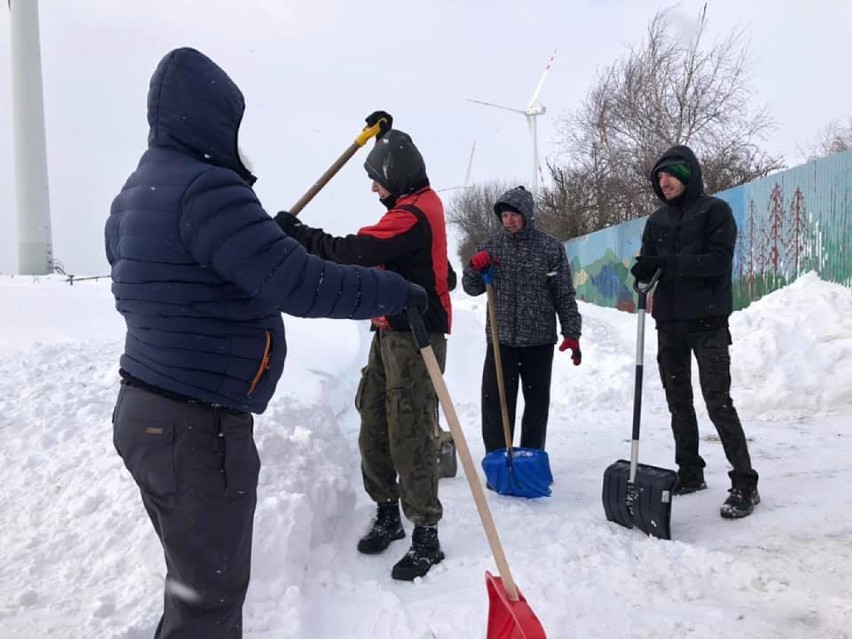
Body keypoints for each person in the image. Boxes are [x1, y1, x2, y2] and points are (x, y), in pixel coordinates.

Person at [105, 48, 426, 638]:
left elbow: (170, 281)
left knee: (193, 588)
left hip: (147, 416)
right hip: (196, 429)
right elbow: (301, 283)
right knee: (208, 603)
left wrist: (259, 245)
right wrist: (393, 291)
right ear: (210, 117)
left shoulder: (135, 193)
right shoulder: (207, 191)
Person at [274, 117, 452, 581]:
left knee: (409, 428)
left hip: (416, 337)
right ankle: (388, 510)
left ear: (395, 174)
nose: (373, 187)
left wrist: (295, 232)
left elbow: (353, 251)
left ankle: (426, 535)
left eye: (377, 177)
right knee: (373, 417)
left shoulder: (414, 214)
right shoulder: (411, 207)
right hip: (388, 330)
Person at [631, 144, 760, 519]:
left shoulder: (715, 212)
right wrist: (643, 272)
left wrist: (666, 264)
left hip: (707, 324)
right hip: (669, 323)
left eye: (670, 174)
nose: (663, 181)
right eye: (658, 176)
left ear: (688, 176)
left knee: (717, 400)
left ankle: (745, 482)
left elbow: (718, 262)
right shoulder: (656, 220)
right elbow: (650, 265)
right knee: (678, 402)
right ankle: (690, 471)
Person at [461, 186, 582, 455]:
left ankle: (531, 457)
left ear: (527, 214)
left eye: (514, 215)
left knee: (536, 405)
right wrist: (474, 267)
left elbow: (564, 293)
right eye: (504, 215)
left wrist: (571, 333)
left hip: (539, 341)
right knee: (496, 405)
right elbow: (471, 288)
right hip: (501, 339)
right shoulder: (491, 247)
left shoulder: (550, 248)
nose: (509, 220)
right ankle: (497, 459)